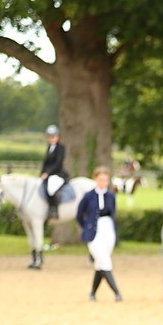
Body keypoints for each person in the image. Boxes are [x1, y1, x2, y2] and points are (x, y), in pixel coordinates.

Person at [75, 167, 122, 301]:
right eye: (100, 180)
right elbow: (79, 214)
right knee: (105, 261)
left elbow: (113, 213)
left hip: (108, 229)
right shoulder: (88, 196)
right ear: (95, 179)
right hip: (94, 230)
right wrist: (86, 227)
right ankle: (117, 292)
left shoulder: (111, 196)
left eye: (105, 180)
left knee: (100, 263)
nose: (103, 182)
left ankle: (92, 293)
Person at [40, 125, 69, 219]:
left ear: (57, 137)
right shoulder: (49, 147)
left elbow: (58, 163)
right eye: (50, 137)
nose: (52, 138)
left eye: (54, 136)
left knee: (51, 188)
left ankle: (54, 209)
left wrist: (47, 173)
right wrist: (42, 173)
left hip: (57, 173)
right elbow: (46, 162)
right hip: (47, 174)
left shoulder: (61, 148)